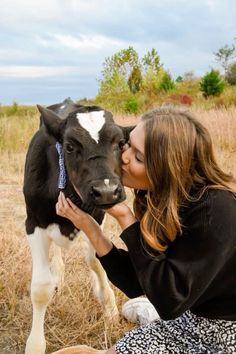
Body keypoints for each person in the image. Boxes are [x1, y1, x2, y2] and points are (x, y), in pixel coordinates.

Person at [55, 106, 236, 354]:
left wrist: (126, 219)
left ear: (167, 167)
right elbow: (140, 281)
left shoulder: (217, 210)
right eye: (126, 145)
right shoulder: (163, 199)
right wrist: (91, 229)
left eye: (139, 157)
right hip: (189, 320)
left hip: (225, 334)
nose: (125, 158)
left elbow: (170, 300)